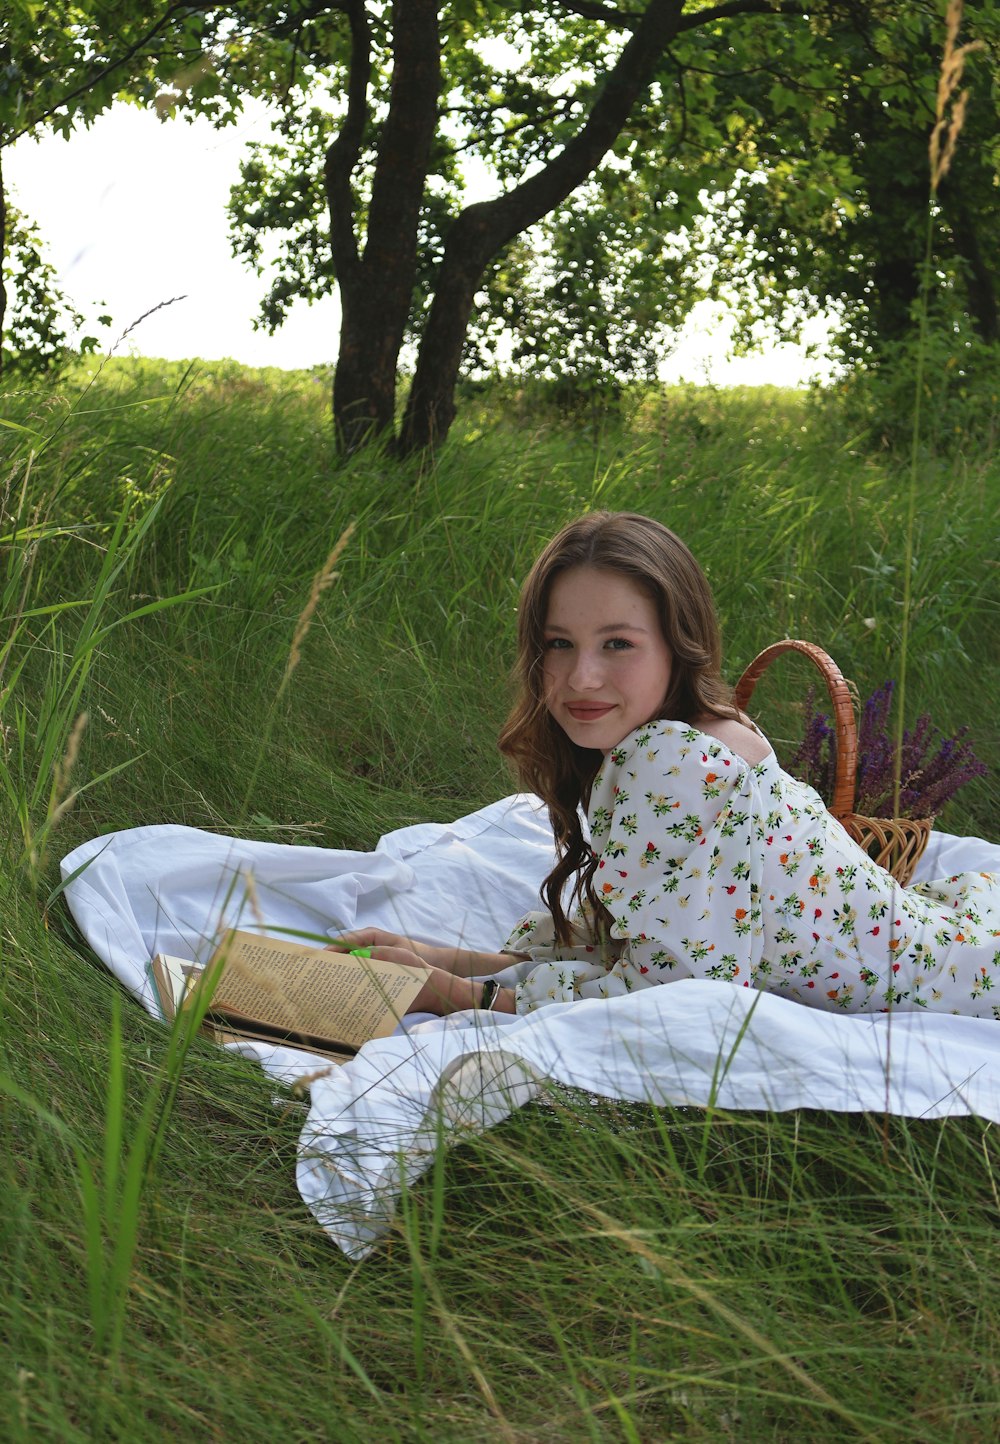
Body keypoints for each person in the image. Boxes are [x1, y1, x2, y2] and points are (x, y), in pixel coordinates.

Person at [331, 511, 1000, 1020]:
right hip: (941, 945)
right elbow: (666, 928)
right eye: (558, 643)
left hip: (954, 988)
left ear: (678, 645)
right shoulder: (701, 728)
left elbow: (675, 997)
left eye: (618, 643)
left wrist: (458, 994)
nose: (580, 677)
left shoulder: (670, 759)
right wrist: (450, 956)